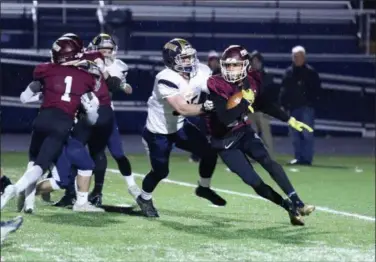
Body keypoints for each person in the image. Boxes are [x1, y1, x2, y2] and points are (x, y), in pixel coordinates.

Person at [206, 45, 315, 226]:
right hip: (224, 141)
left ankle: (298, 202)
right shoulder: (216, 84)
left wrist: (289, 120)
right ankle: (287, 206)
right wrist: (244, 103)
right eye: (228, 65)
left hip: (243, 131)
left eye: (236, 65)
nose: (231, 69)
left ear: (246, 65)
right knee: (254, 181)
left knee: (268, 161)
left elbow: (263, 103)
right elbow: (225, 118)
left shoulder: (252, 80)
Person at [1, 37, 101, 212]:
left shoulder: (46, 70)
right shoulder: (85, 77)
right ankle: (15, 189)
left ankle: (29, 204)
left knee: (33, 160)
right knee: (41, 165)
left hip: (42, 120)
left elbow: (24, 98)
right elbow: (92, 112)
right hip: (62, 124)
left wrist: (47, 95)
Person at [137, 38, 226, 217]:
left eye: (190, 57)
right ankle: (144, 197)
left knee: (209, 152)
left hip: (179, 126)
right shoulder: (165, 78)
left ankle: (203, 188)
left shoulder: (201, 71)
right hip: (158, 132)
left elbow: (216, 89)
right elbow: (182, 108)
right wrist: (206, 107)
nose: (190, 62)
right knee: (161, 172)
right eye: (184, 58)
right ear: (171, 60)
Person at [54, 33, 140, 208]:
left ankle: (98, 192)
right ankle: (70, 192)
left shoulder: (116, 67)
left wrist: (120, 84)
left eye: (109, 49)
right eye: (102, 49)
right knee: (75, 151)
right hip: (82, 113)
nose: (106, 53)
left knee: (104, 152)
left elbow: (122, 87)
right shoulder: (83, 60)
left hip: (104, 113)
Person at [280, 46, 321, 165]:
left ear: (304, 57)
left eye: (299, 56)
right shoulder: (288, 72)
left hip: (306, 107)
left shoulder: (311, 72)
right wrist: (283, 104)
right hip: (292, 108)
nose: (297, 59)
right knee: (295, 135)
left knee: (307, 133)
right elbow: (284, 90)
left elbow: (316, 90)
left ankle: (307, 158)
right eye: (295, 56)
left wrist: (311, 102)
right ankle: (298, 157)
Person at [248, 50, 275, 158]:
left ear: (261, 62)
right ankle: (253, 156)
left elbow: (270, 93)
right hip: (251, 110)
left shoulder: (267, 76)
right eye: (253, 61)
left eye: (257, 61)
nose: (255, 63)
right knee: (250, 134)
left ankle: (270, 157)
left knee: (266, 133)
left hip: (263, 109)